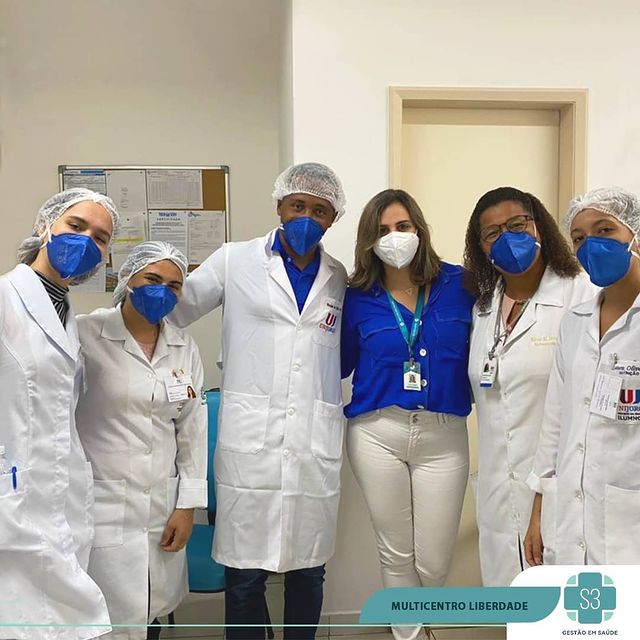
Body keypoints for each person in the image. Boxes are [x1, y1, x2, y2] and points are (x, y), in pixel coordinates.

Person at [168, 162, 347, 639]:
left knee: (309, 569)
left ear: (333, 219)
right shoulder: (235, 259)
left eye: (320, 210)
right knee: (244, 575)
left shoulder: (338, 276)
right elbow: (173, 312)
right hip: (250, 443)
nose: (307, 217)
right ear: (279, 206)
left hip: (311, 444)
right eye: (298, 205)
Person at [341, 189, 474, 640]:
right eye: (381, 231)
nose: (393, 238)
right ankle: (412, 635)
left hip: (444, 434)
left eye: (402, 227)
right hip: (377, 432)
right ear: (368, 240)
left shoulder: (461, 285)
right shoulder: (356, 297)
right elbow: (334, 364)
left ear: (419, 229)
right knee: (395, 553)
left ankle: (418, 620)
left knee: (433, 559)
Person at [0, 188, 118, 639]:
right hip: (13, 494)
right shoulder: (6, 298)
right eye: (76, 226)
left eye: (100, 237)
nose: (86, 240)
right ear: (44, 226)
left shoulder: (68, 316)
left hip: (56, 494)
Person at [74, 241, 207, 640]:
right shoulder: (86, 334)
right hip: (101, 502)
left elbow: (192, 428)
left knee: (149, 610)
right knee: (102, 614)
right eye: (152, 279)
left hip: (162, 505)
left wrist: (187, 506)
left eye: (173, 285)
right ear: (127, 279)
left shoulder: (183, 346)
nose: (162, 291)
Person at [464, 186, 596, 586]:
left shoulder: (581, 294)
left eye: (517, 224)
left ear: (539, 226)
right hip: (498, 489)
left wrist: (545, 491)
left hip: (558, 489)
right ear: (481, 247)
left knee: (560, 604)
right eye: (492, 233)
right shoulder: (484, 307)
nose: (506, 238)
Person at [525, 187, 640, 566]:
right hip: (570, 516)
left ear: (636, 234)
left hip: (629, 517)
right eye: (578, 238)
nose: (590, 245)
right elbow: (554, 424)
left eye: (604, 230)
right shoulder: (575, 323)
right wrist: (539, 510)